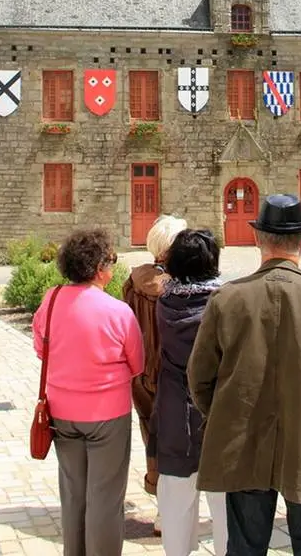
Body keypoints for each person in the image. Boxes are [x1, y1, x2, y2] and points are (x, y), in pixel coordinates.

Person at [188, 194, 301, 556]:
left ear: (259, 239)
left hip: (244, 440)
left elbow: (199, 378)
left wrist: (227, 415)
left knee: (244, 547)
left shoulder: (227, 300)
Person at [32, 228, 144, 556]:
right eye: (110, 260)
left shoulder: (50, 302)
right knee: (105, 498)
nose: (112, 266)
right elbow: (137, 363)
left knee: (73, 495)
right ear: (98, 269)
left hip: (62, 412)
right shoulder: (118, 311)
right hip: (107, 416)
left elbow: (41, 349)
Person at [152, 228, 227, 556]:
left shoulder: (164, 303)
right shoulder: (227, 305)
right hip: (219, 415)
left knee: (176, 507)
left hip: (174, 416)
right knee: (226, 511)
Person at [122, 214, 187, 532]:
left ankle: (164, 505)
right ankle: (179, 510)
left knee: (153, 438)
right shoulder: (184, 286)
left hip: (143, 374)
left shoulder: (134, 280)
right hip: (175, 373)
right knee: (183, 440)